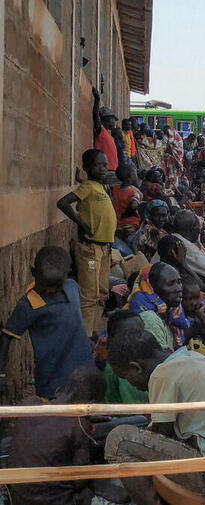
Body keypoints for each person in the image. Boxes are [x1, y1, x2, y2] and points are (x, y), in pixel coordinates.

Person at [104, 329, 205, 505]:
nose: (130, 384)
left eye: (125, 377)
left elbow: (160, 434)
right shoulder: (193, 358)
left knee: (119, 440)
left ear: (136, 367)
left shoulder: (162, 374)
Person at [0, 246, 95, 399]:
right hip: (52, 382)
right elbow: (6, 337)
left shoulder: (72, 288)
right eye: (45, 286)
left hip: (85, 373)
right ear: (33, 272)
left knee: (84, 415)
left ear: (67, 274)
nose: (50, 291)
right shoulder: (28, 304)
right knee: (54, 418)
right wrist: (1, 374)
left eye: (56, 286)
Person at [7, 366, 106, 505]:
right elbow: (80, 480)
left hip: (18, 499)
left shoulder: (29, 405)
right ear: (93, 405)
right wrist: (86, 424)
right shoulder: (78, 425)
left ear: (58, 390)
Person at [57, 149, 116, 335]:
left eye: (105, 165)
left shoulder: (97, 186)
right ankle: (85, 336)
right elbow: (63, 203)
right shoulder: (89, 187)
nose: (102, 169)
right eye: (97, 165)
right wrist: (80, 223)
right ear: (87, 168)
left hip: (104, 249)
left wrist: (79, 180)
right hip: (90, 250)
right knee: (90, 294)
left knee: (102, 293)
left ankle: (91, 330)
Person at [111, 163, 143, 248]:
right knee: (131, 247)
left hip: (118, 224)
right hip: (131, 225)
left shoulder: (115, 189)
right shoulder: (133, 193)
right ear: (129, 180)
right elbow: (134, 205)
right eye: (135, 175)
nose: (137, 177)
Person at [92, 88, 118, 174]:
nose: (114, 122)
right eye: (113, 119)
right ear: (107, 118)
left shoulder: (108, 134)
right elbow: (95, 116)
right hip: (106, 171)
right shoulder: (101, 131)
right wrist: (97, 99)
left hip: (112, 170)